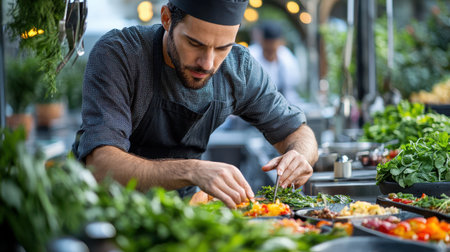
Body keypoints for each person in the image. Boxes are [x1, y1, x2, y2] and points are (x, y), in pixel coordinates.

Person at [73, 0, 318, 209]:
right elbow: (101, 165)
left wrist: (300, 155)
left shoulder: (238, 69)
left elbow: (299, 132)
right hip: (109, 213)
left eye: (223, 47)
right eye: (195, 44)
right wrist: (192, 171)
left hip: (186, 214)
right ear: (167, 19)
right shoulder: (121, 54)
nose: (208, 63)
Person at [249, 21, 304, 105]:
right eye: (268, 44)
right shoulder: (251, 56)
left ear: (282, 42)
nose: (271, 48)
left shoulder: (287, 57)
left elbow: (292, 85)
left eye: (274, 44)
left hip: (284, 103)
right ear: (261, 41)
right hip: (254, 104)